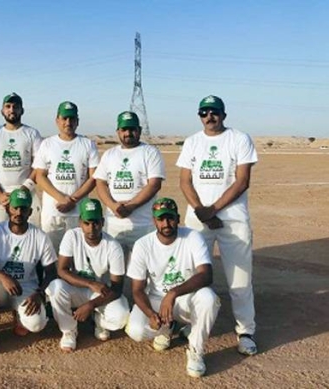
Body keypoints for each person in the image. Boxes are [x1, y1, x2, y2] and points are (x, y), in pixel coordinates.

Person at [176, 95, 258, 356]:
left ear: (224, 114)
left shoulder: (239, 139)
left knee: (240, 279)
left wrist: (213, 209)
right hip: (198, 219)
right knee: (191, 274)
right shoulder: (192, 142)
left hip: (232, 219)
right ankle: (191, 324)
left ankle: (245, 330)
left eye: (214, 112)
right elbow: (185, 181)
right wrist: (202, 211)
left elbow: (242, 181)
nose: (209, 117)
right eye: (204, 112)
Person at [125, 197, 220, 378]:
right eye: (161, 219)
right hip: (155, 298)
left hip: (184, 297)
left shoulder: (192, 237)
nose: (166, 223)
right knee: (136, 331)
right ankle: (166, 328)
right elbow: (137, 289)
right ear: (154, 221)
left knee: (209, 298)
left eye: (170, 218)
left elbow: (206, 275)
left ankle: (196, 350)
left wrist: (173, 293)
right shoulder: (143, 244)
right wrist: (151, 315)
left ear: (177, 218)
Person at [0, 188, 57, 355]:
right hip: (0, 286)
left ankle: (19, 315)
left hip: (25, 287)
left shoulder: (40, 236)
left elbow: (51, 271)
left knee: (36, 325)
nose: (18, 212)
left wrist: (40, 294)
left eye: (23, 208)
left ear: (30, 211)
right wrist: (3, 277)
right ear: (7, 208)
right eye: (15, 207)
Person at [46, 198, 130, 352]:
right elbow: (62, 270)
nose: (92, 228)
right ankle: (69, 330)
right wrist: (90, 284)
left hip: (102, 294)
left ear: (102, 222)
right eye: (87, 223)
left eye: (96, 223)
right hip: (79, 288)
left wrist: (91, 305)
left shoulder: (113, 246)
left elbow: (117, 289)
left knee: (121, 316)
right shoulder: (72, 236)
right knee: (55, 287)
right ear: (80, 222)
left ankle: (99, 320)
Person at [94, 111, 165, 265]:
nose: (128, 133)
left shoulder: (150, 152)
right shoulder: (109, 154)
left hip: (143, 225)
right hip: (114, 225)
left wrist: (131, 206)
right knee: (112, 269)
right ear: (118, 132)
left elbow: (154, 184)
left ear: (139, 130)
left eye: (132, 129)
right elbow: (101, 183)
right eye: (124, 129)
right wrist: (113, 206)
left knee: (143, 271)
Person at [33, 101, 100, 251]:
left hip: (78, 212)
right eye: (64, 118)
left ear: (77, 121)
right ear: (57, 120)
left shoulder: (88, 144)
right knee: (51, 254)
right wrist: (61, 198)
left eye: (72, 119)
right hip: (52, 211)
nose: (68, 122)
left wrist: (73, 200)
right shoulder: (47, 144)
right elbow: (40, 176)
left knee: (77, 254)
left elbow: (93, 178)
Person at [0, 93, 43, 226]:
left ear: (22, 110)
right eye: (8, 106)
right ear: (2, 111)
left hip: (27, 194)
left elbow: (39, 166)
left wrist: (25, 188)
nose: (12, 110)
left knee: (30, 233)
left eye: (16, 107)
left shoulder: (32, 133)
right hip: (1, 196)